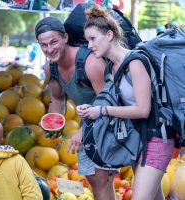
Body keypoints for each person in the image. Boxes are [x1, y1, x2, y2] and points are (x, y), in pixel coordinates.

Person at [77, 5, 174, 200]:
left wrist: (103, 111)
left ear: (110, 35)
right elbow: (114, 103)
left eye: (93, 39)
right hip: (138, 141)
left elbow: (143, 109)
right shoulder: (111, 69)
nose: (89, 45)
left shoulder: (135, 62)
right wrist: (93, 109)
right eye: (87, 40)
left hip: (156, 138)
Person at [35, 16, 117, 200]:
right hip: (86, 123)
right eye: (44, 45)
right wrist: (53, 121)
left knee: (103, 179)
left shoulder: (90, 63)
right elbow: (56, 98)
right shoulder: (51, 69)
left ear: (65, 38)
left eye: (54, 42)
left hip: (107, 121)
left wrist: (83, 130)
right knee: (93, 178)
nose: (49, 49)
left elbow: (107, 100)